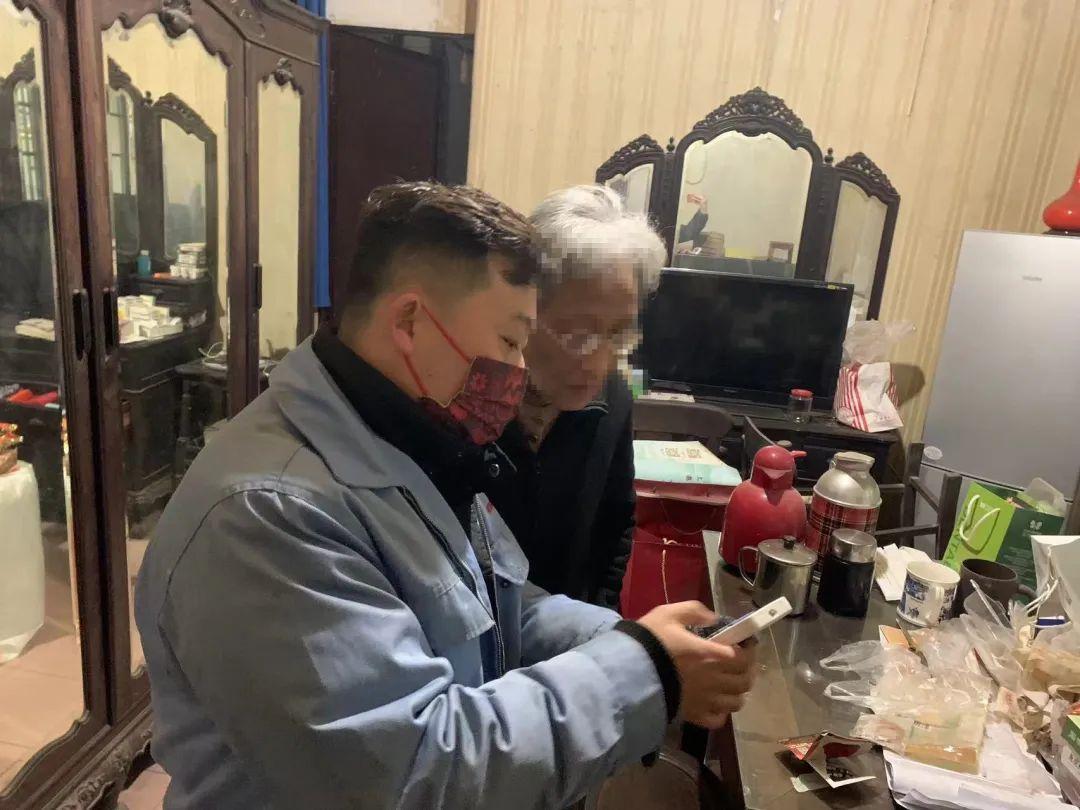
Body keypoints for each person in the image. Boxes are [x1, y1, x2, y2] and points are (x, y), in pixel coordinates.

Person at [135, 181, 755, 810]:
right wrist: (641, 673)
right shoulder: (268, 514)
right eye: (511, 341)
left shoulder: (407, 441)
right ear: (409, 322)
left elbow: (494, 607)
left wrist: (626, 638)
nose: (520, 373)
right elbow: (413, 774)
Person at [487, 185, 664, 609]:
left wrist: (600, 621)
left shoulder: (614, 396)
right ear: (525, 312)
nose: (600, 361)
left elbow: (616, 520)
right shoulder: (471, 399)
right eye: (578, 333)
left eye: (618, 333)